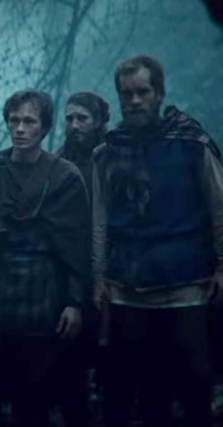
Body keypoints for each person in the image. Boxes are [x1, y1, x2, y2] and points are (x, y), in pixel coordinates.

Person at [93, 54, 223, 427]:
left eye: (142, 92)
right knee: (143, 396)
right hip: (127, 289)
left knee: (194, 392)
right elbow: (100, 221)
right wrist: (98, 277)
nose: (134, 101)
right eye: (127, 94)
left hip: (186, 287)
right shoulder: (108, 152)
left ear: (160, 93)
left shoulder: (191, 143)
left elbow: (219, 208)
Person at [0, 89, 91, 427]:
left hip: (43, 298)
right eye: (14, 121)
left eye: (29, 121)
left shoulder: (64, 177)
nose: (20, 128)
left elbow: (76, 246)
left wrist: (74, 302)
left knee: (34, 400)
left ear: (44, 127)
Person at [55, 91, 111, 425]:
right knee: (71, 365)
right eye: (70, 118)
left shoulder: (113, 160)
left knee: (113, 362)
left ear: (98, 121)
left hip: (112, 273)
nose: (75, 125)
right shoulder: (58, 165)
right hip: (69, 277)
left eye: (82, 118)